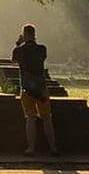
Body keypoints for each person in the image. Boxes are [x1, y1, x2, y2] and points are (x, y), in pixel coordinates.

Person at [11, 24, 58, 156]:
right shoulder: (42, 49)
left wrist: (18, 43)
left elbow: (13, 60)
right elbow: (42, 59)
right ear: (34, 34)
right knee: (47, 118)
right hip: (41, 88)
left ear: (24, 35)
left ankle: (31, 148)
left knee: (30, 119)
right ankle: (53, 147)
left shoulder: (20, 50)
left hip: (26, 89)